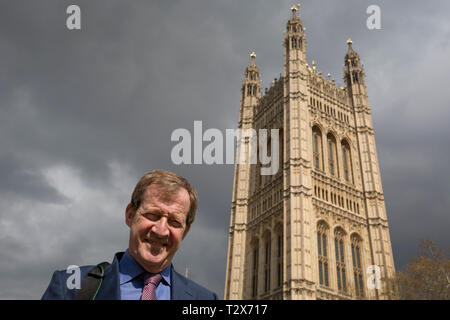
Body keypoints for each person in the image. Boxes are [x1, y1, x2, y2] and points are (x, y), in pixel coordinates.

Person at [42, 169, 218, 300]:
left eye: (174, 222)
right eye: (152, 215)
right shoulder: (70, 287)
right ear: (130, 215)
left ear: (185, 231)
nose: (161, 230)